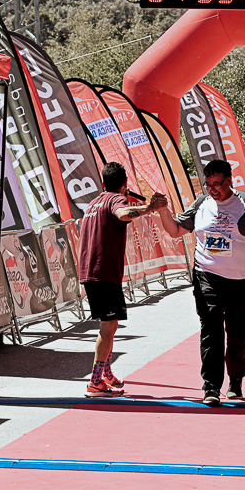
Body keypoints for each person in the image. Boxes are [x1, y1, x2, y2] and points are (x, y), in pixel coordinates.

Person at [159, 159, 245, 406]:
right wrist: (162, 210)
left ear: (229, 181)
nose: (212, 189)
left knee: (237, 334)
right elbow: (175, 230)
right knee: (211, 330)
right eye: (208, 184)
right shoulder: (201, 204)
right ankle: (211, 386)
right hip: (207, 275)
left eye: (217, 184)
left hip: (240, 280)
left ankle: (235, 380)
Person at [77, 162, 168, 397]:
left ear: (103, 182)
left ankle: (106, 373)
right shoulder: (117, 200)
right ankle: (95, 381)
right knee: (107, 326)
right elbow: (122, 213)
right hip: (103, 272)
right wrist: (150, 208)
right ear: (125, 183)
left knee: (112, 324)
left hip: (92, 271)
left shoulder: (93, 203)